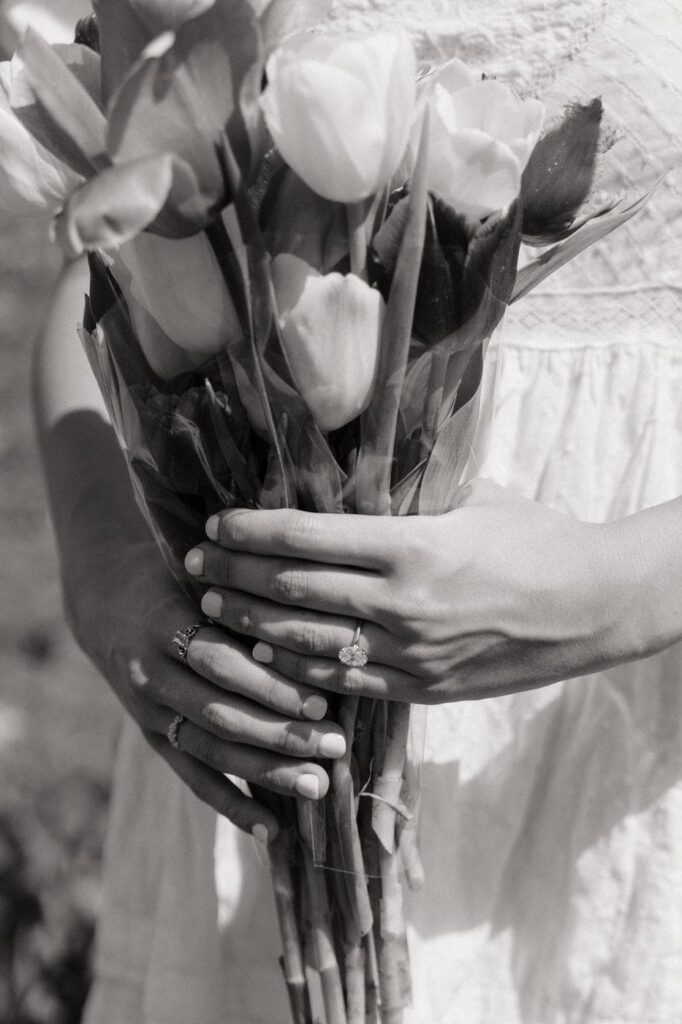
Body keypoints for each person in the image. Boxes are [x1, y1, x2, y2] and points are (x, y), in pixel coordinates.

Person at [32, 0, 682, 1022]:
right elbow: (114, 247)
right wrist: (106, 573)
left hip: (635, 707)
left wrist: (610, 595)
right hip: (266, 699)